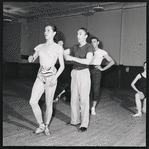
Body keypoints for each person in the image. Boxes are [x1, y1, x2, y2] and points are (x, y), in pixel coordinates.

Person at [28, 24, 64, 135]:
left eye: (48, 30)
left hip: (51, 78)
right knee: (33, 101)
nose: (45, 32)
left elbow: (62, 66)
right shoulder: (40, 46)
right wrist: (31, 58)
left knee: (49, 104)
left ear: (54, 33)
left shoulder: (58, 48)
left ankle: (47, 126)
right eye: (45, 30)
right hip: (40, 76)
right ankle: (41, 125)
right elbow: (33, 57)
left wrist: (55, 78)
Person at [64, 27, 94, 132]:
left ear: (86, 36)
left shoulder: (89, 47)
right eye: (77, 34)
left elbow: (88, 61)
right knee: (74, 98)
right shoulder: (75, 47)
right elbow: (64, 52)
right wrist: (64, 52)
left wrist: (72, 58)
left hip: (84, 73)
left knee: (84, 100)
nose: (78, 35)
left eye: (80, 34)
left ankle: (84, 124)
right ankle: (74, 120)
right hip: (74, 73)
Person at [90, 37, 115, 115]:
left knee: (95, 90)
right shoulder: (88, 51)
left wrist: (103, 69)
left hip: (96, 70)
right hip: (87, 70)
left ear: (98, 42)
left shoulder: (102, 52)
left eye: (94, 41)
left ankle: (93, 108)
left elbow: (112, 62)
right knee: (85, 89)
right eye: (91, 42)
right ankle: (84, 107)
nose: (93, 43)